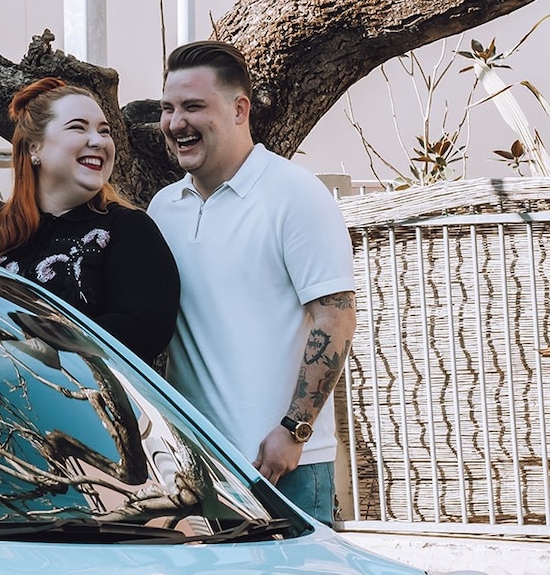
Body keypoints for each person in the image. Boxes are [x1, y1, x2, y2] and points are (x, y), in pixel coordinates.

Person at [146, 41, 357, 527]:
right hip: (196, 468)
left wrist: (293, 431)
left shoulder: (294, 194)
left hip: (283, 465)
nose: (176, 122)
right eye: (168, 108)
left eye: (194, 107)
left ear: (240, 109)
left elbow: (336, 316)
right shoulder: (163, 207)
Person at [0, 77, 180, 365]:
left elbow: (146, 328)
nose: (98, 141)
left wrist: (29, 339)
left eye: (105, 131)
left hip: (74, 405)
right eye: (78, 127)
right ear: (34, 147)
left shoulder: (128, 229)